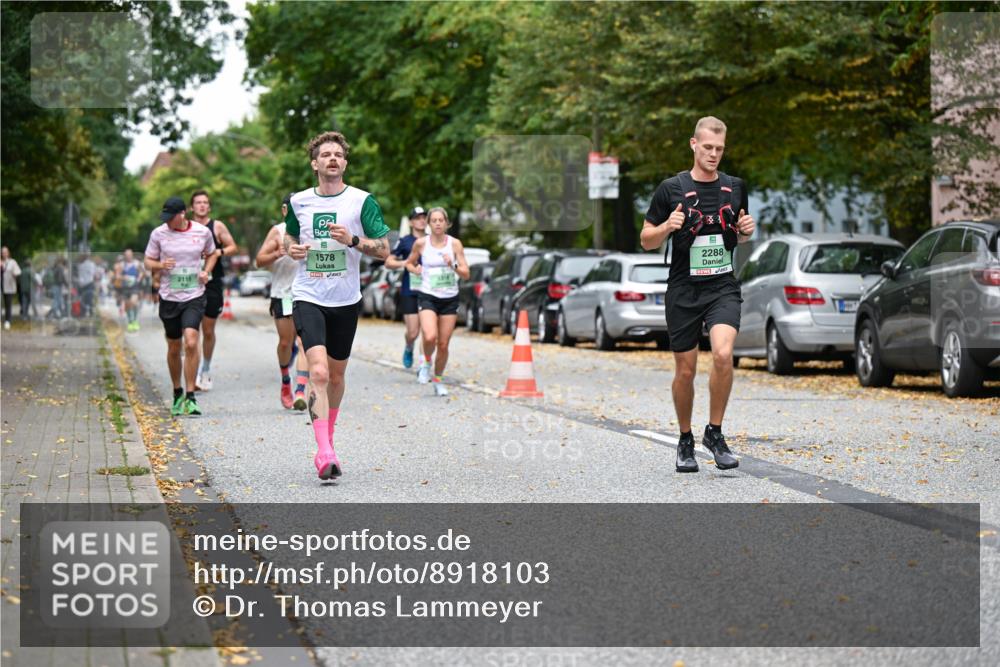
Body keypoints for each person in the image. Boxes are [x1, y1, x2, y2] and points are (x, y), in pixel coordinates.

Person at [640, 116, 756, 473]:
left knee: (723, 354)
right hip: (684, 289)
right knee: (686, 371)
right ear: (693, 144)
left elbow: (740, 230)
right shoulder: (670, 189)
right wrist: (666, 227)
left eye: (719, 149)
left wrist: (747, 231)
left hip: (722, 286)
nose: (714, 154)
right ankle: (686, 438)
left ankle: (715, 433)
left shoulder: (735, 187)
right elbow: (646, 240)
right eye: (707, 147)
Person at [284, 130, 390, 479]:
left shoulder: (361, 202)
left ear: (344, 162)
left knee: (337, 375)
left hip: (345, 299)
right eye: (326, 154)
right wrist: (291, 248)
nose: (333, 159)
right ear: (314, 163)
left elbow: (384, 248)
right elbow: (290, 235)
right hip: (308, 294)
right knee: (318, 372)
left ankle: (327, 439)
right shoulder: (299, 201)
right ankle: (325, 452)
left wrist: (354, 240)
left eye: (338, 155)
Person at [144, 196, 218, 417]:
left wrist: (206, 271)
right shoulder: (159, 234)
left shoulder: (202, 232)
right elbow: (148, 261)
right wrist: (159, 265)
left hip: (194, 296)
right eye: (165, 218)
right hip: (169, 297)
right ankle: (177, 392)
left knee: (192, 341)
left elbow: (212, 253)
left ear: (182, 214)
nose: (167, 222)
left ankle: (190, 395)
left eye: (171, 217)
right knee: (174, 347)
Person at [404, 207, 471, 396]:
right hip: (428, 295)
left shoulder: (455, 244)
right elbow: (409, 262)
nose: (438, 223)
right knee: (430, 336)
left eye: (441, 220)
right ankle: (426, 362)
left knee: (443, 344)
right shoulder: (421, 243)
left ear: (447, 223)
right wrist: (414, 269)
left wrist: (453, 264)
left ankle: (438, 380)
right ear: (429, 224)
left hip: (449, 298)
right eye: (434, 220)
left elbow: (466, 274)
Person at [256, 194, 310, 411]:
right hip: (283, 294)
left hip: (306, 293)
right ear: (284, 210)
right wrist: (276, 253)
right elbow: (259, 260)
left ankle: (300, 390)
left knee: (304, 342)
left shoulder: (310, 229)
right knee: (286, 342)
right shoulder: (278, 231)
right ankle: (286, 380)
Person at [189, 190, 237, 391]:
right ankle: (194, 374)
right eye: (198, 202)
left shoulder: (216, 226)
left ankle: (205, 369)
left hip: (212, 283)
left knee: (208, 330)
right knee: (192, 330)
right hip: (190, 283)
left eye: (205, 203)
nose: (201, 205)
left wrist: (220, 251)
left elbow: (233, 246)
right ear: (191, 207)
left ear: (209, 207)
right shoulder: (186, 227)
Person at [384, 206, 428, 369]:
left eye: (424, 217)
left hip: (429, 290)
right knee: (413, 332)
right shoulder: (405, 241)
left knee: (427, 331)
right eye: (417, 218)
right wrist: (405, 263)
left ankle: (424, 365)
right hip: (410, 290)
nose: (421, 220)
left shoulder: (431, 240)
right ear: (411, 222)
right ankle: (409, 347)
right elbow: (389, 262)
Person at [116, 249, 145, 332]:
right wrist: (124, 277)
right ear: (124, 256)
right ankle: (130, 322)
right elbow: (117, 276)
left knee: (134, 302)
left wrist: (139, 278)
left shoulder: (136, 263)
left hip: (134, 287)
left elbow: (142, 272)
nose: (128, 256)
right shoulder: (121, 265)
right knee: (128, 305)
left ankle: (135, 320)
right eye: (126, 255)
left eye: (129, 255)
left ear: (132, 255)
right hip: (125, 287)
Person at [1, 246, 21, 329]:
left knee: (8, 304)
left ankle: (8, 321)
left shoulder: (12, 262)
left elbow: (18, 271)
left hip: (9, 286)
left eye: (5, 252)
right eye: (2, 252)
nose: (3, 254)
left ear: (8, 253)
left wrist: (14, 273)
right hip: (1, 285)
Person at [76, 253, 96, 317]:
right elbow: (93, 274)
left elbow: (79, 275)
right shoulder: (91, 264)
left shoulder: (80, 265)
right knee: (89, 299)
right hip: (89, 283)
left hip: (81, 284)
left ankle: (83, 312)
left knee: (82, 299)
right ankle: (90, 312)